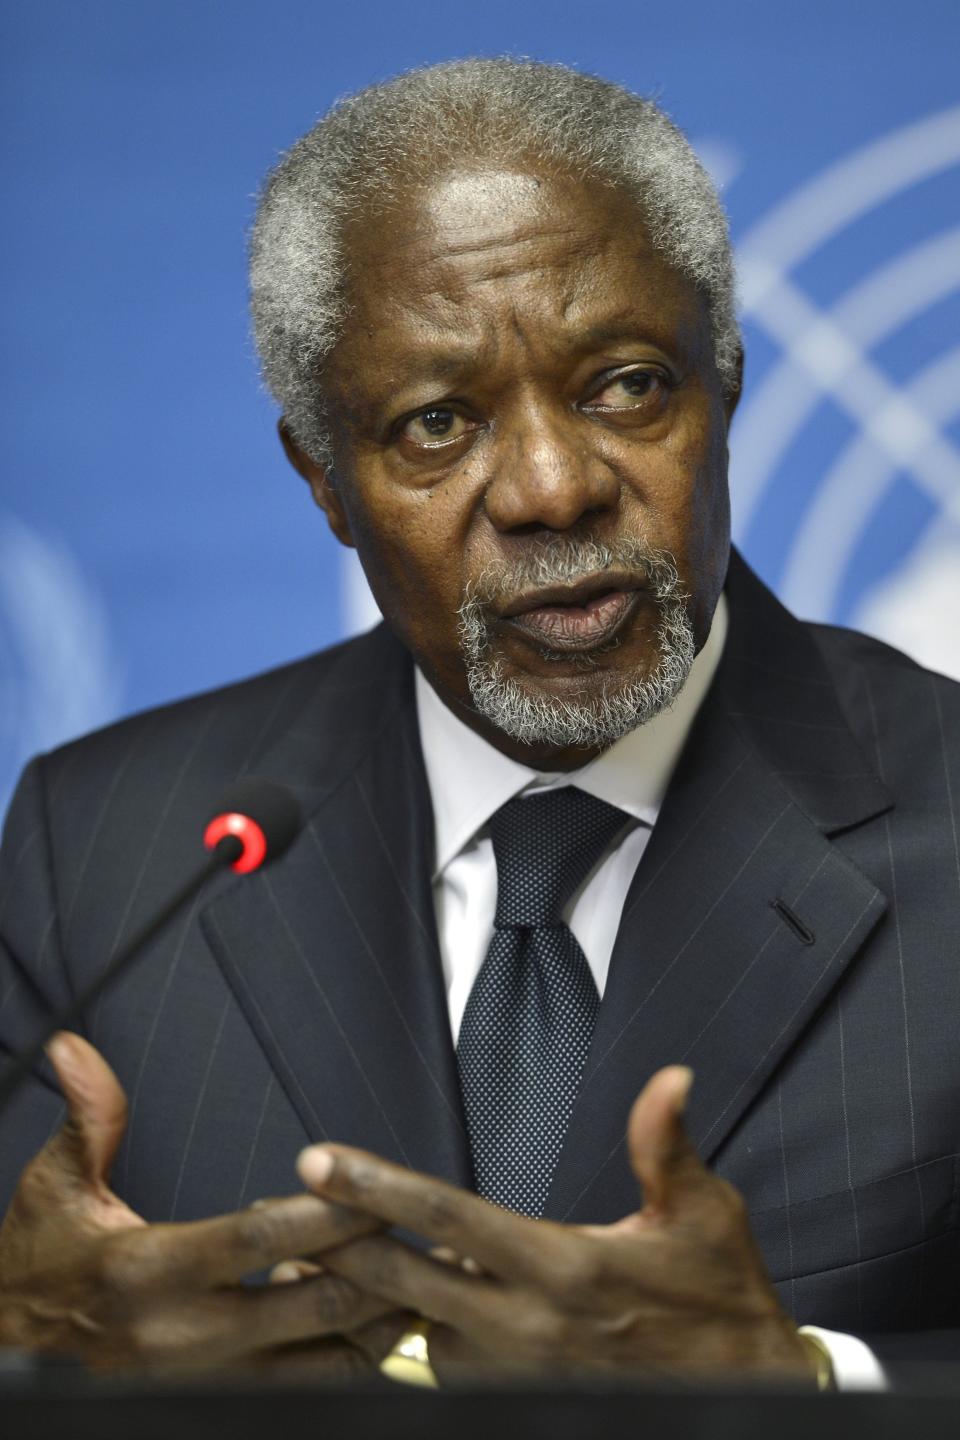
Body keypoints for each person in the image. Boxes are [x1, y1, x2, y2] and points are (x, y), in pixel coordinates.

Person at [0, 58, 957, 1386]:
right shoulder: (105, 849)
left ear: (725, 384)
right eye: (437, 422)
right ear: (324, 481)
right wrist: (25, 1351)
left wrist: (806, 1381)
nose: (554, 489)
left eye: (625, 384)